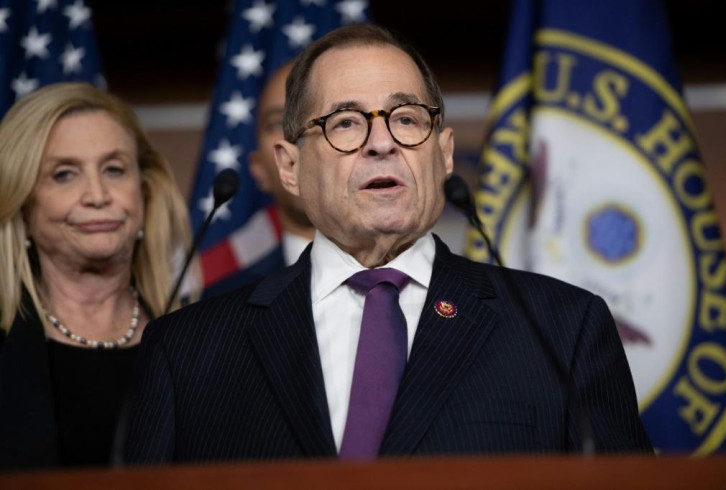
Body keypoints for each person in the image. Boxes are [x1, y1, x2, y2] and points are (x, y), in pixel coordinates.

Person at [124, 23, 652, 464]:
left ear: (444, 154)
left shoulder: (563, 330)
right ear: (290, 166)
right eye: (346, 123)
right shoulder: (188, 351)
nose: (382, 143)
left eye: (406, 119)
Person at [0, 83, 192, 469]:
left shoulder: (198, 343)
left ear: (143, 191)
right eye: (64, 174)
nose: (97, 194)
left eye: (114, 169)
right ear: (23, 206)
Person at [202, 62, 315, 299]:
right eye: (277, 122)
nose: (294, 136)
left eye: (313, 116)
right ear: (258, 168)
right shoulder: (220, 306)